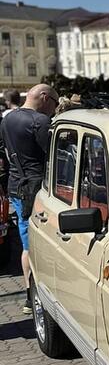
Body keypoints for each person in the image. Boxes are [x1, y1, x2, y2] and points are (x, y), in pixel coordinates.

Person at [1, 84, 59, 314]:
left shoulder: (7, 119)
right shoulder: (40, 121)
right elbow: (54, 156)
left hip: (16, 186)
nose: (54, 108)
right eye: (54, 103)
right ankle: (43, 294)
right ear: (45, 97)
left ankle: (28, 295)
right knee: (42, 242)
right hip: (38, 189)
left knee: (26, 243)